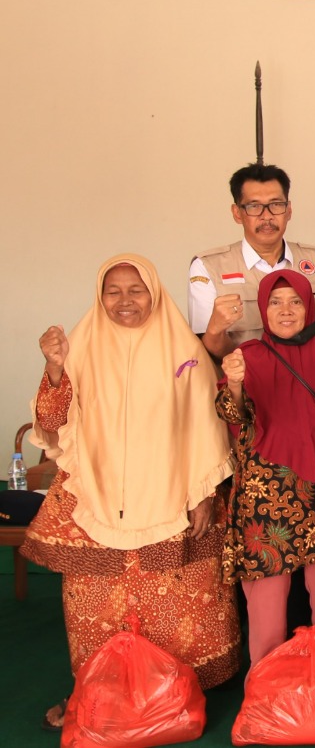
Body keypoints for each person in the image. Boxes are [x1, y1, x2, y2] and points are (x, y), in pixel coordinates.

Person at [26, 254, 241, 730]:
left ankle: (173, 698)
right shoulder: (79, 345)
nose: (125, 301)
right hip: (98, 496)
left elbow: (206, 421)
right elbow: (52, 425)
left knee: (180, 600)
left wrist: (204, 491)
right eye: (113, 291)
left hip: (171, 491)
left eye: (135, 289)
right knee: (95, 604)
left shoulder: (180, 345)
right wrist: (56, 370)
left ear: (155, 292)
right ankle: (99, 693)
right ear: (99, 296)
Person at [217, 271, 315, 665]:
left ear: (308, 306)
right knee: (266, 613)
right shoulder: (247, 356)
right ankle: (265, 699)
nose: (286, 310)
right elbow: (234, 414)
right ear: (263, 309)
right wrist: (233, 383)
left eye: (295, 301)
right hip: (266, 500)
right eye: (275, 302)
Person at [191, 163, 315, 359]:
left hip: (307, 383)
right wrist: (215, 329)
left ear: (288, 210)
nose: (267, 216)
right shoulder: (209, 266)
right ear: (237, 213)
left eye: (276, 205)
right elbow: (205, 350)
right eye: (254, 206)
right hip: (243, 383)